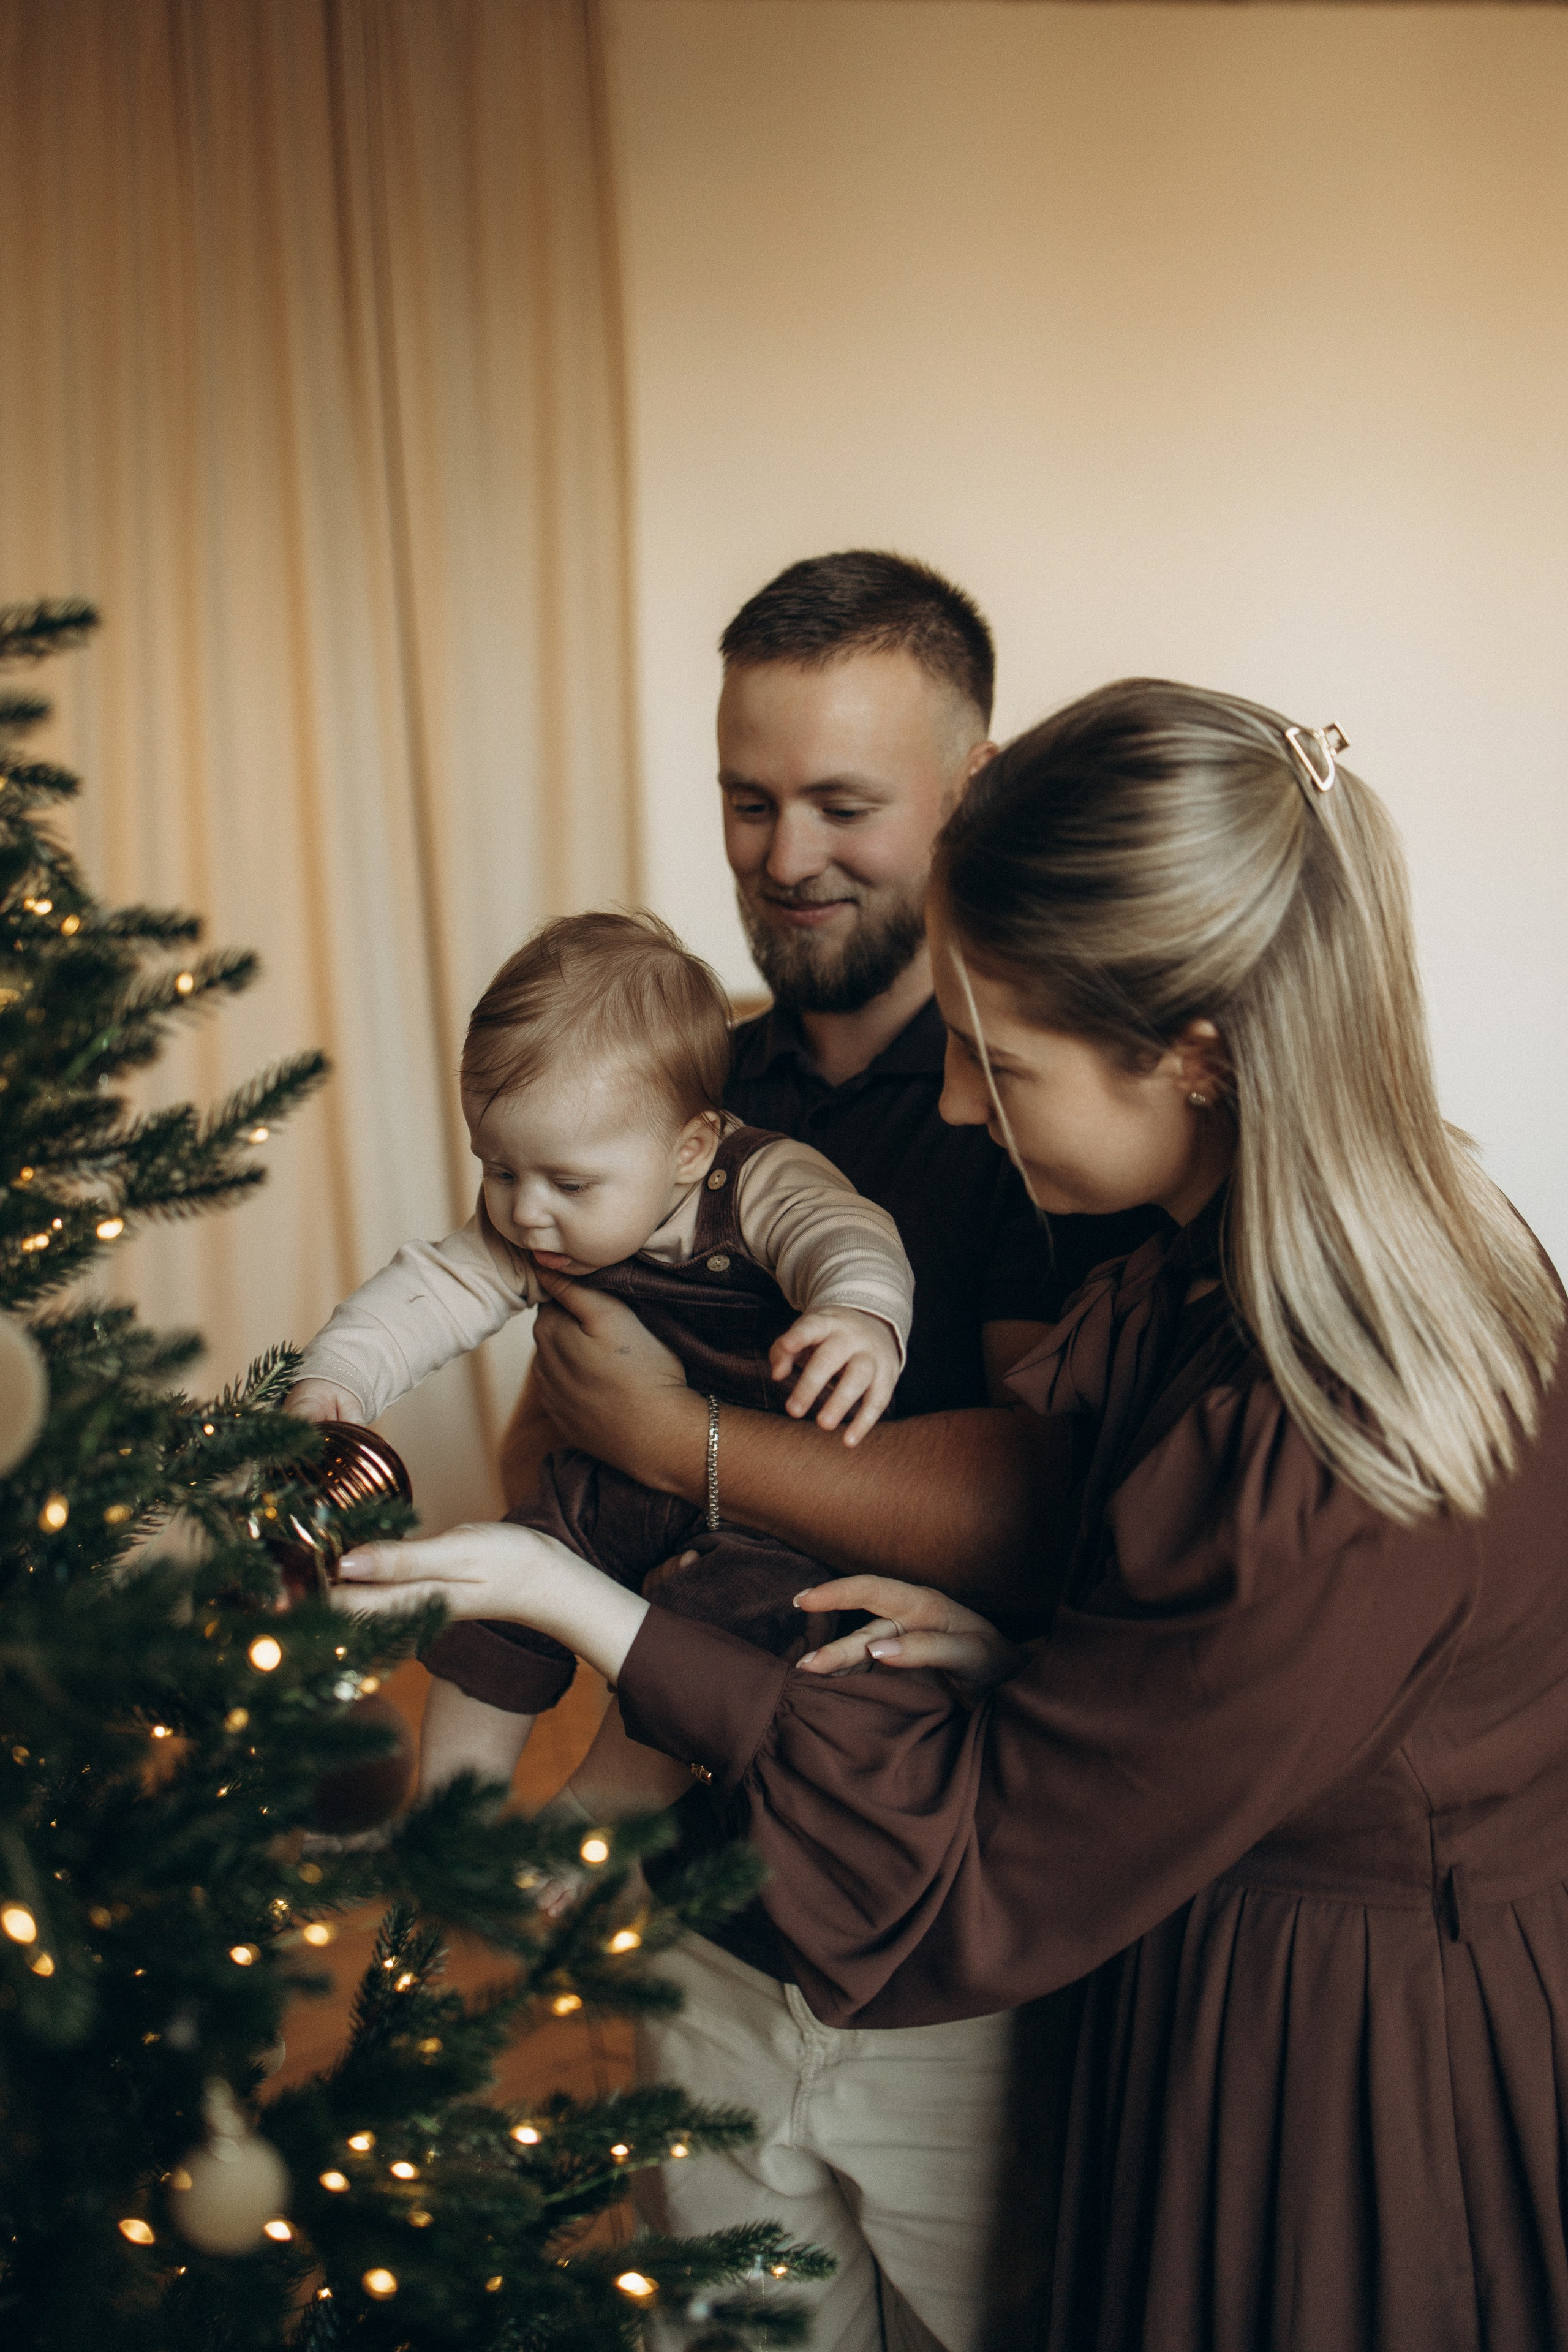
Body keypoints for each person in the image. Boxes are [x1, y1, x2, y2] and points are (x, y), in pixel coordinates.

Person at [331, 679, 1568, 2352]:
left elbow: (986, 1857)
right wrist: (1028, 1642)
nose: (968, 1111)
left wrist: (580, 1603)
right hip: (1195, 1943)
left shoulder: (1323, 1429)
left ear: (1194, 1058)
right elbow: (1140, 1589)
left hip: (1339, 2060)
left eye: (1003, 1060)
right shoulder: (1220, 1268)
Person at [428, 554, 1155, 2352]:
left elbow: (1043, 1507)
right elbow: (563, 1433)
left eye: (845, 803)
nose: (783, 855)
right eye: (748, 801)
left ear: (971, 791)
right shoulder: (685, 1093)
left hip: (942, 1940)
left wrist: (681, 1436)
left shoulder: (1040, 1113)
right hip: (700, 1902)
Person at [288, 907, 913, 1808]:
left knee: (707, 1642)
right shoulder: (536, 1230)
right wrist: (334, 1380)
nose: (526, 1214)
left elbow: (848, 1235)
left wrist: (859, 1314)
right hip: (610, 1484)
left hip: (768, 1512)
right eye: (499, 1171)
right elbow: (424, 1294)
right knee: (499, 1578)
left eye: (568, 1185)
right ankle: (452, 1804)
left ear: (689, 1149)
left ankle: (593, 1820)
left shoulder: (761, 1181)